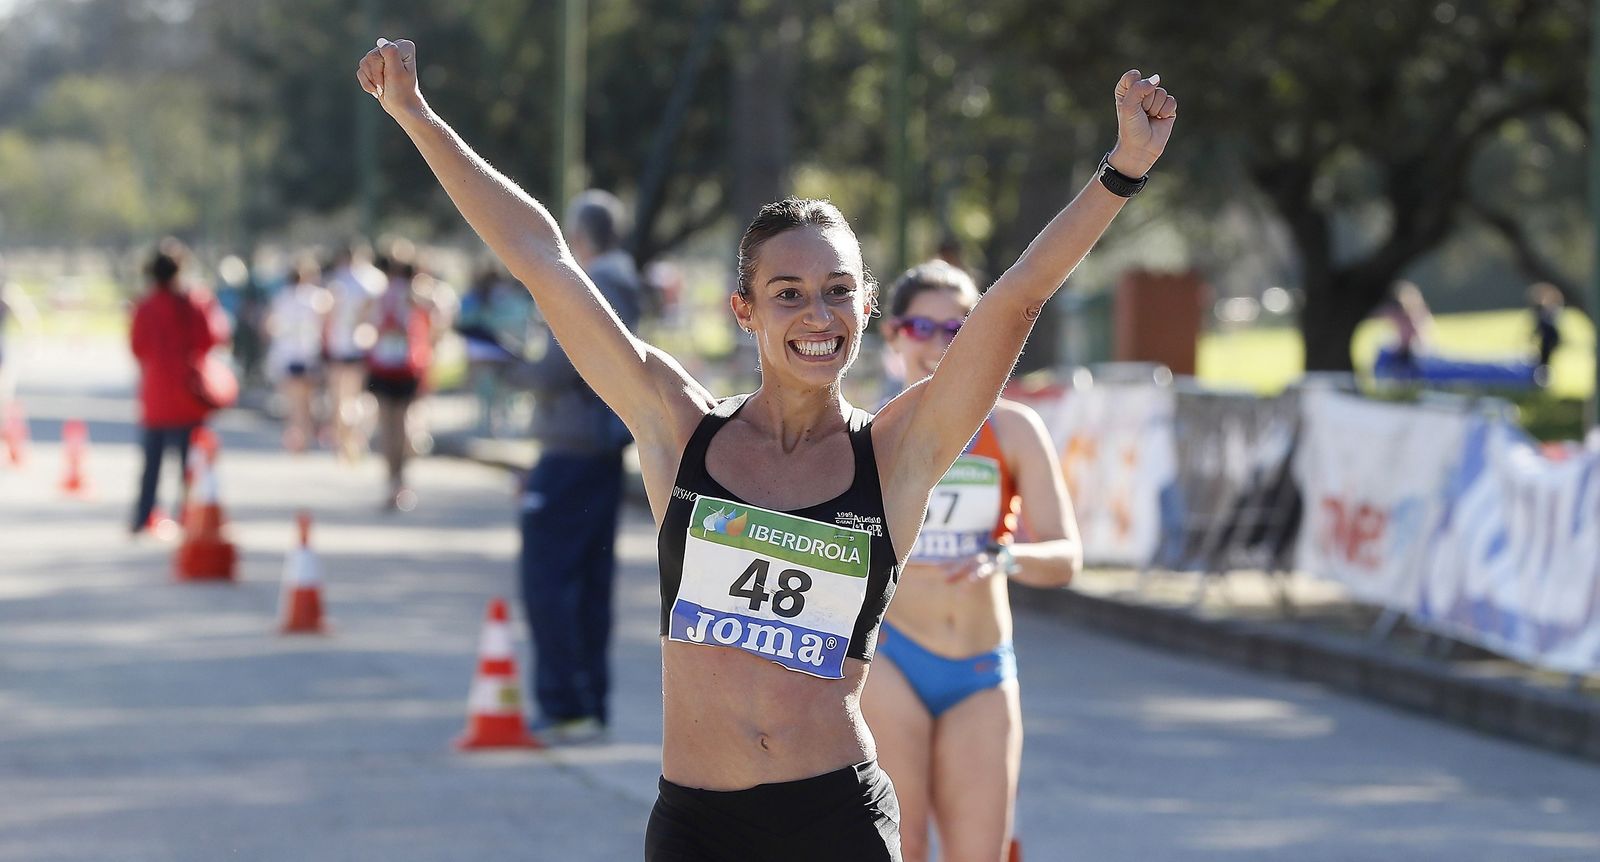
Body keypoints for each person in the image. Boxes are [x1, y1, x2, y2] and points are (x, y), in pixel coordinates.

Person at [358, 37, 1174, 860]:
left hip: (835, 820)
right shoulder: (678, 426)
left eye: (838, 292)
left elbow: (1016, 301)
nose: (817, 316)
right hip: (697, 823)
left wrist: (1122, 172)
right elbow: (543, 260)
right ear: (745, 310)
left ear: (866, 307)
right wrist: (417, 116)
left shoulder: (898, 451)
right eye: (788, 294)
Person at [861, 260, 1081, 862]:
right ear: (893, 335)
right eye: (920, 328)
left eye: (957, 329)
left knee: (979, 853)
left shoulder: (1014, 429)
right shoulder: (872, 431)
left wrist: (1004, 558)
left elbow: (1066, 558)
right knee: (898, 848)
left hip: (981, 666)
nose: (937, 344)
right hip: (891, 659)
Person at [506, 189, 644, 743]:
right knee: (587, 581)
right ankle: (586, 703)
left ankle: (565, 702)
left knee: (549, 578)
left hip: (573, 449)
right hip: (596, 451)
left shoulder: (597, 284)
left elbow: (562, 367)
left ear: (581, 239)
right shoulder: (624, 283)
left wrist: (511, 364)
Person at [129, 240, 232, 535]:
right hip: (189, 395)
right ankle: (189, 516)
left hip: (156, 395)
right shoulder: (195, 301)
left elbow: (137, 347)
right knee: (191, 465)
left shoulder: (145, 305)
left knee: (151, 464)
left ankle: (143, 516)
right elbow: (211, 338)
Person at [365, 250, 438, 511]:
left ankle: (392, 482)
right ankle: (400, 482)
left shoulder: (381, 293)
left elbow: (366, 322)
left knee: (388, 426)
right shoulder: (414, 292)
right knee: (403, 424)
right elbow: (435, 316)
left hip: (385, 364)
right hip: (406, 365)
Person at [324, 241, 387, 461]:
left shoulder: (339, 279)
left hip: (340, 345)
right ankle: (356, 438)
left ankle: (344, 442)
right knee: (362, 396)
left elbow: (327, 312)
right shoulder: (376, 279)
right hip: (367, 346)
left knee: (340, 397)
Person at [265, 258, 333, 452]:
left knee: (292, 402)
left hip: (285, 355)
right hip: (308, 354)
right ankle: (304, 437)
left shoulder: (281, 296)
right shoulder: (317, 297)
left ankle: (295, 439)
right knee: (307, 402)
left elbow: (270, 325)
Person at [1529, 281, 1564, 383]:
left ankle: (1543, 379)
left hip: (1549, 339)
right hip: (1547, 339)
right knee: (1543, 360)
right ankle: (1541, 379)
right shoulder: (1543, 312)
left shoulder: (1549, 311)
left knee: (1545, 360)